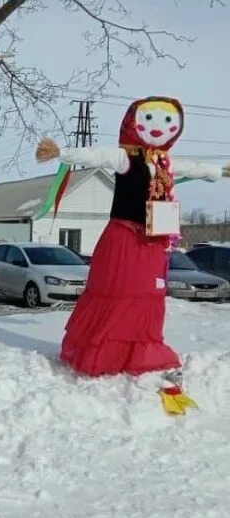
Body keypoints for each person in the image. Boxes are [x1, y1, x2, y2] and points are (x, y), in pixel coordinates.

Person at [36, 96, 230, 377]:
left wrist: (218, 171)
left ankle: (140, 348)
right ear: (133, 122)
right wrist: (61, 152)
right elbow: (96, 155)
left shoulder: (165, 163)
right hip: (124, 237)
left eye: (167, 121)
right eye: (149, 119)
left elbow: (192, 167)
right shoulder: (125, 157)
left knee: (146, 295)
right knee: (118, 292)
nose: (157, 127)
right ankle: (105, 351)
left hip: (153, 242)